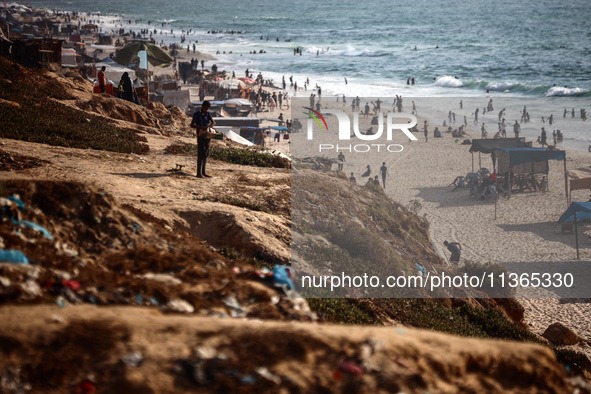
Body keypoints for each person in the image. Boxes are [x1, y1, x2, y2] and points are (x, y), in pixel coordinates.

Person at [190, 100, 216, 178]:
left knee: (206, 153)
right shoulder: (196, 114)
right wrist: (201, 127)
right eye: (205, 108)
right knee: (200, 153)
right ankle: (198, 173)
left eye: (207, 108)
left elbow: (214, 122)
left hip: (207, 135)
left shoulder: (208, 114)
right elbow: (192, 125)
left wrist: (209, 126)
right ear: (202, 106)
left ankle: (203, 172)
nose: (206, 109)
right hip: (200, 135)